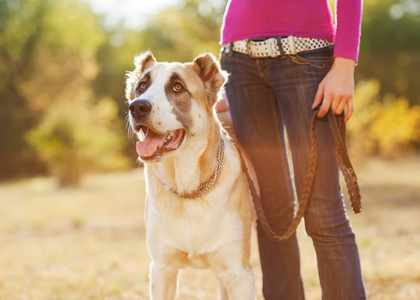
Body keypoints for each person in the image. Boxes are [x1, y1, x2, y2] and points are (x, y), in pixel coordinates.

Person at [216, 0, 366, 299]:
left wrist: (345, 63)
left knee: (323, 210)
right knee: (271, 210)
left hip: (309, 55)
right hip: (238, 61)